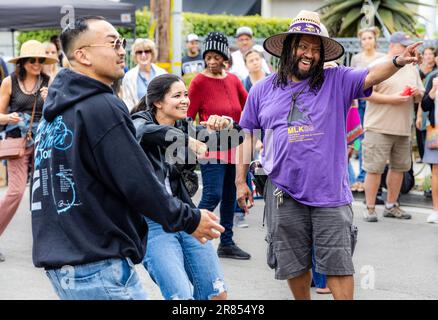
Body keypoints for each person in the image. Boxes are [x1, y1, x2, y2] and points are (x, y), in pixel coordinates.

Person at [30, 16, 223, 300]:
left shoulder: (55, 114)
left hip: (63, 263)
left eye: (122, 43)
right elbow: (136, 181)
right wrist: (190, 219)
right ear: (82, 55)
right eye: (113, 43)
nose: (122, 50)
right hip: (97, 264)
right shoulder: (101, 106)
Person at [235, 10, 423, 300]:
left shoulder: (337, 80)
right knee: (292, 262)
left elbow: (372, 73)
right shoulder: (262, 90)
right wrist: (240, 182)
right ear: (288, 48)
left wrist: (398, 61)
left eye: (315, 48)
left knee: (338, 264)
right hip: (282, 190)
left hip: (330, 192)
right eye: (303, 46)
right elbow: (247, 135)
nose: (309, 54)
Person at [131, 73, 245, 300]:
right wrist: (183, 139)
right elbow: (142, 132)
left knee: (216, 294)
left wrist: (228, 124)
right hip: (152, 223)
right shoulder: (139, 122)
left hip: (186, 215)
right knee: (181, 297)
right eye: (177, 96)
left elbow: (233, 139)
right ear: (157, 102)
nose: (185, 100)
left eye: (186, 94)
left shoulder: (184, 127)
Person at [188, 31, 251, 260]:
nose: (212, 61)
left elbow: (249, 106)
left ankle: (226, 242)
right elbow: (187, 116)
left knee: (230, 195)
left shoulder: (233, 80)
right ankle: (189, 235)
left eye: (217, 56)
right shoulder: (198, 82)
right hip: (211, 148)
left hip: (234, 146)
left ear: (225, 57)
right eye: (208, 57)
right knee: (212, 194)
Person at [0, 40, 56, 263]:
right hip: (18, 142)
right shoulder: (9, 82)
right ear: (22, 62)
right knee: (15, 192)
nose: (36, 63)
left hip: (43, 141)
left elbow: (56, 114)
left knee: (44, 194)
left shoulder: (48, 82)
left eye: (40, 60)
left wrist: (48, 100)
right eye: (32, 60)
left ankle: (45, 244)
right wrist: (10, 118)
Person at [363, 31, 424, 222]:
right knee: (374, 169)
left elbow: (421, 95)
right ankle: (370, 208)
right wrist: (392, 99)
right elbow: (364, 93)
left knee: (399, 168)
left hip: (403, 128)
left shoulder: (412, 68)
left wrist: (417, 93)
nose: (408, 48)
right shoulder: (377, 65)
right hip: (378, 127)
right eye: (403, 44)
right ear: (392, 45)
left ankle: (391, 206)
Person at [349, 27, 385, 193]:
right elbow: (351, 82)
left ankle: (366, 177)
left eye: (370, 38)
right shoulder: (356, 59)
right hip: (360, 103)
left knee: (372, 138)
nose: (367, 41)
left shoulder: (381, 58)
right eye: (364, 39)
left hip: (376, 103)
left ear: (375, 39)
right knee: (359, 139)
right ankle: (360, 177)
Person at [121, 38, 167, 112]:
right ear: (135, 55)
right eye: (139, 52)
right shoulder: (129, 76)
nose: (143, 55)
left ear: (152, 53)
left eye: (147, 51)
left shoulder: (162, 73)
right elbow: (127, 102)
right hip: (138, 119)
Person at [420, 72, 438, 223]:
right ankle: (436, 210)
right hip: (436, 130)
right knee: (436, 170)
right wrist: (433, 91)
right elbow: (425, 105)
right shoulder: (434, 77)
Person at [416, 47, 437, 162]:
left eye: (431, 54)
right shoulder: (422, 72)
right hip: (423, 107)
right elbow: (423, 98)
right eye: (426, 54)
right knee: (421, 134)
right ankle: (423, 156)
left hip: (429, 111)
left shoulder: (434, 72)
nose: (428, 56)